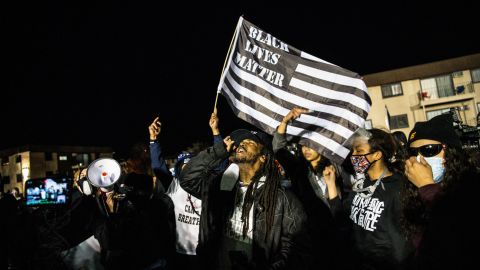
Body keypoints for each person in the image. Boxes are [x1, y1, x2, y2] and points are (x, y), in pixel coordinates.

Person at [179, 127, 310, 269]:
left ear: (263, 157)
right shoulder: (219, 187)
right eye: (241, 142)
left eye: (250, 142)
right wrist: (218, 150)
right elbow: (188, 179)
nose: (242, 144)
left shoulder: (282, 198)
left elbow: (296, 249)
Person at [272, 107, 353, 270]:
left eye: (311, 145)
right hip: (311, 238)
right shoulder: (299, 170)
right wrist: (285, 121)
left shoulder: (337, 166)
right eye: (303, 146)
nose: (306, 149)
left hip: (338, 236)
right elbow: (278, 149)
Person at [327, 128, 413, 270]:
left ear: (377, 155)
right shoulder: (361, 185)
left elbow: (402, 242)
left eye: (359, 151)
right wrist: (331, 185)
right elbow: (343, 219)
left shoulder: (398, 188)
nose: (353, 156)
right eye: (352, 151)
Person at [403, 113, 480, 269]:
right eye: (413, 153)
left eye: (429, 150)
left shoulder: (470, 186)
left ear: (449, 150)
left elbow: (461, 233)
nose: (420, 159)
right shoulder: (412, 192)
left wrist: (426, 185)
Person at [148, 113, 224, 269]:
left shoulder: (207, 185)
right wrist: (153, 141)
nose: (188, 172)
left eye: (192, 168)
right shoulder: (175, 186)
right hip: (179, 254)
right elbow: (158, 168)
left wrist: (216, 133)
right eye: (184, 168)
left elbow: (220, 166)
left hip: (205, 253)